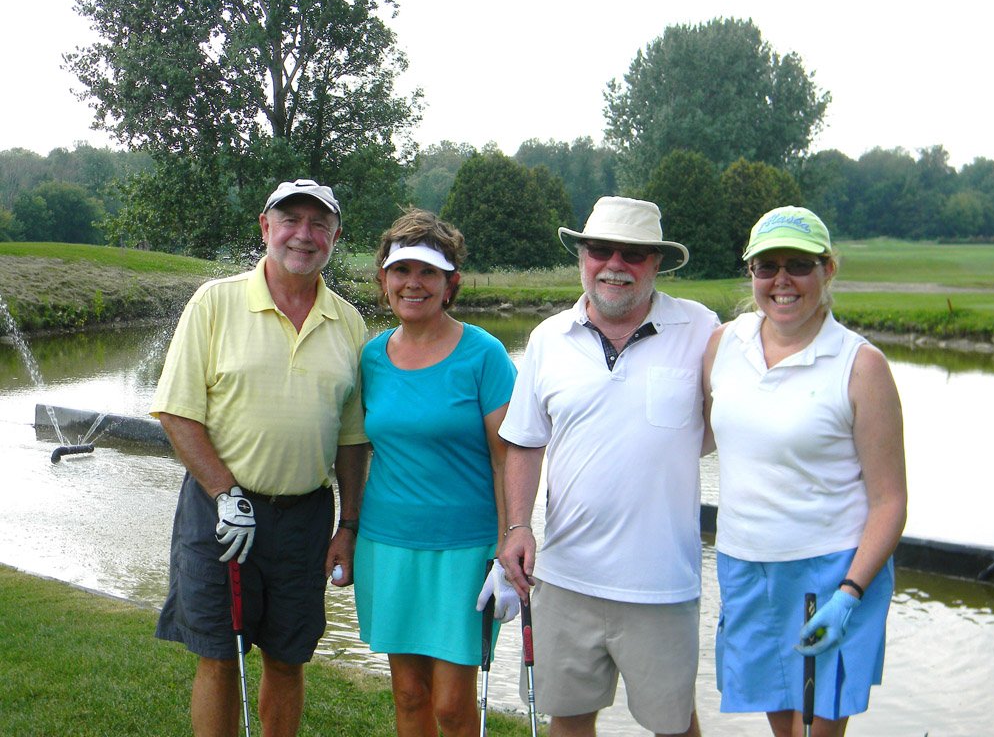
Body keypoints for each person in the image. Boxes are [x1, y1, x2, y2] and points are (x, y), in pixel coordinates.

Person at [152, 179, 369, 737]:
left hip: (305, 518)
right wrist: (226, 494)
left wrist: (348, 526)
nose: (304, 234)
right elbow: (177, 412)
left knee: (288, 657)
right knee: (219, 656)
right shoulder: (215, 302)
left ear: (335, 237)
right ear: (265, 227)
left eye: (319, 224)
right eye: (290, 220)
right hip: (219, 512)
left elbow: (352, 440)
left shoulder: (348, 322)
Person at [498, 196, 718, 737]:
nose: (614, 264)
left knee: (675, 727)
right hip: (566, 578)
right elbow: (525, 443)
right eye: (600, 249)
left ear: (657, 262)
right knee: (569, 721)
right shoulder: (547, 338)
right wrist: (518, 526)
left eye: (634, 253)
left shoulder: (702, 329)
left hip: (663, 586)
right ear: (582, 256)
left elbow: (728, 424)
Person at [702, 206, 908, 737]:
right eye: (767, 266)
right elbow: (701, 436)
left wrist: (850, 592)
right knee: (782, 726)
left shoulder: (861, 365)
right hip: (746, 563)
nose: (782, 280)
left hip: (831, 572)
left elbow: (889, 502)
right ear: (751, 272)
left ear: (827, 269)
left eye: (798, 265)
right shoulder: (723, 345)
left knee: (816, 729)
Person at [353, 209, 518, 737]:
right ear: (384, 280)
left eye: (428, 272)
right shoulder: (371, 357)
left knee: (451, 705)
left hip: (465, 550)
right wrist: (346, 528)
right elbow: (357, 448)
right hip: (388, 544)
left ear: (451, 283)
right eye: (401, 270)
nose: (413, 283)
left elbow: (507, 458)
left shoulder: (485, 354)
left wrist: (508, 544)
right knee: (408, 695)